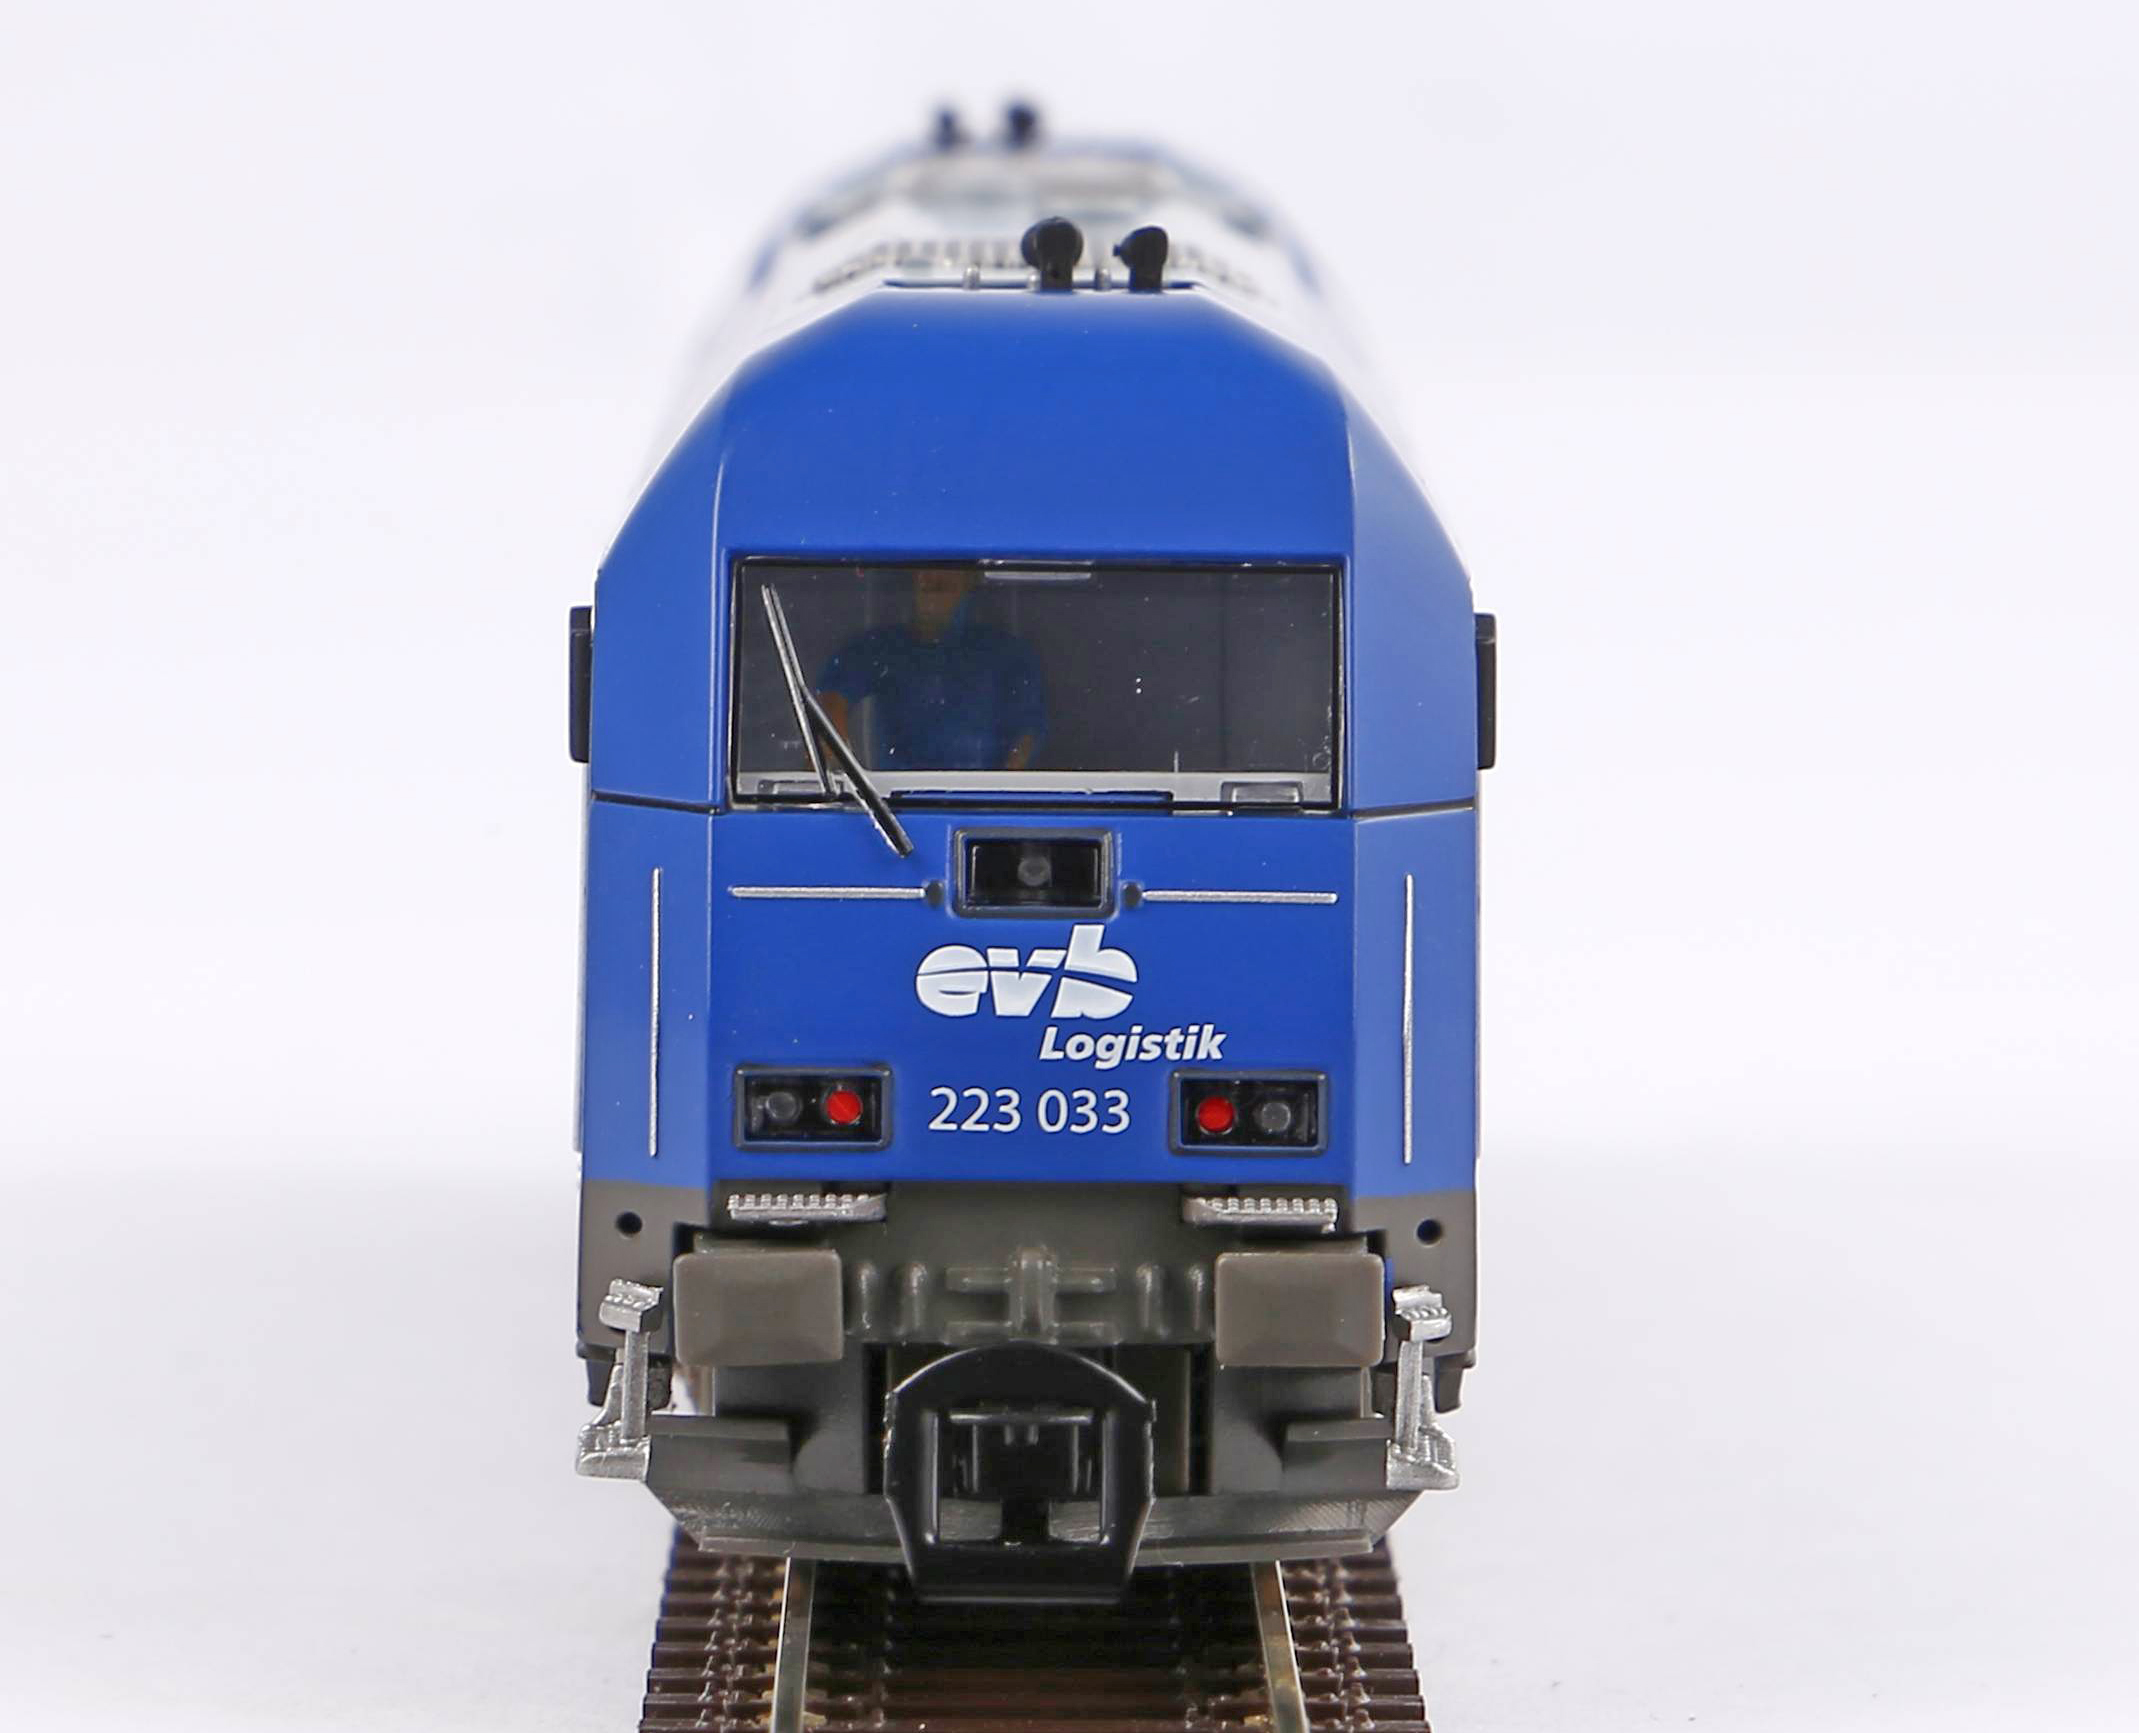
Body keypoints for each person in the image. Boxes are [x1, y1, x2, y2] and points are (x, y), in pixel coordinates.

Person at [816, 569, 1044, 772]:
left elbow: (1028, 730)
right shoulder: (882, 648)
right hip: (888, 798)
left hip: (980, 796)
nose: (933, 576)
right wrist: (835, 760)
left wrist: (1001, 792)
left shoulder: (1005, 652)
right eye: (926, 575)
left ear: (971, 579)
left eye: (944, 579)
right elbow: (831, 698)